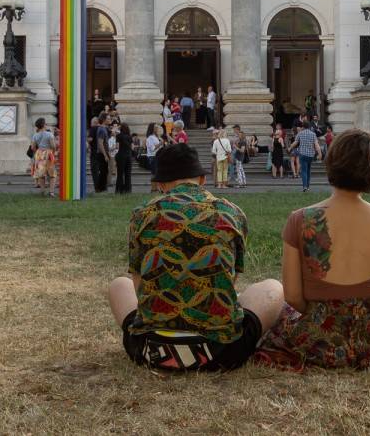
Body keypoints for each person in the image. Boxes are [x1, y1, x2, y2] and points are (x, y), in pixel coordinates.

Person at [254, 129, 370, 371]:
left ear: (331, 163)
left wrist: (323, 316)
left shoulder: (300, 219)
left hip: (317, 338)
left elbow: (292, 297)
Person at [107, 143, 284, 372]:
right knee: (273, 288)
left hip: (151, 349)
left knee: (118, 285)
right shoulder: (232, 212)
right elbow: (231, 278)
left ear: (161, 184)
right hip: (221, 352)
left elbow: (139, 283)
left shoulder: (142, 214)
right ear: (202, 179)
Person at [31, 118, 58, 197]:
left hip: (39, 154)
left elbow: (32, 147)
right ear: (43, 125)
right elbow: (53, 145)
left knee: (41, 174)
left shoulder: (35, 135)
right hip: (48, 154)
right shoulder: (49, 134)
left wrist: (38, 151)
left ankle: (42, 191)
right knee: (52, 174)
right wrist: (53, 151)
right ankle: (51, 192)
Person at [294, 118, 320, 193]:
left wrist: (290, 148)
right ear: (309, 126)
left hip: (302, 154)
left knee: (304, 171)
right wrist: (320, 153)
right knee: (308, 170)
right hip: (310, 155)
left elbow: (295, 143)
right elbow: (316, 145)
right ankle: (308, 186)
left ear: (303, 126)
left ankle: (305, 186)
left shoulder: (300, 133)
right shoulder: (313, 134)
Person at [92, 115, 111, 194]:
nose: (110, 120)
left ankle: (102, 188)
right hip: (101, 153)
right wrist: (105, 155)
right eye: (108, 119)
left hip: (104, 153)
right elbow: (100, 143)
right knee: (103, 171)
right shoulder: (101, 130)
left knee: (105, 171)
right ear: (104, 120)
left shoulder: (104, 129)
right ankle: (100, 189)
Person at [114, 123, 134, 195]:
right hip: (128, 156)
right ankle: (128, 190)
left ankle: (120, 190)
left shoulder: (118, 136)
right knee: (128, 174)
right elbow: (132, 147)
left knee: (120, 174)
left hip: (121, 155)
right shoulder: (129, 136)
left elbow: (117, 147)